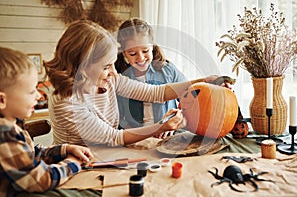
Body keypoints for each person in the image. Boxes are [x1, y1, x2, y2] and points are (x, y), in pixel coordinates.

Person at [44, 20, 219, 147]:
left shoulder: (109, 79)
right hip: (76, 165)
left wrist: (204, 81)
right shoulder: (66, 102)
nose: (114, 72)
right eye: (106, 66)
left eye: (113, 63)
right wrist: (159, 127)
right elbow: (113, 137)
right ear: (81, 66)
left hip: (106, 155)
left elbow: (156, 93)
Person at [0, 46, 93, 196]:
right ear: (1, 100)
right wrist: (73, 164)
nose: (39, 96)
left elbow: (31, 154)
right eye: (31, 91)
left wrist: (66, 149)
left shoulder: (13, 123)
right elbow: (42, 179)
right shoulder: (4, 134)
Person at [115, 18, 186, 139]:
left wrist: (176, 122)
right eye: (133, 54)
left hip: (168, 137)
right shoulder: (120, 79)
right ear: (124, 53)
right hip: (135, 140)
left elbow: (190, 101)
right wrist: (139, 134)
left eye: (145, 50)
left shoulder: (168, 70)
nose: (141, 58)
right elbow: (119, 118)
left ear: (152, 46)